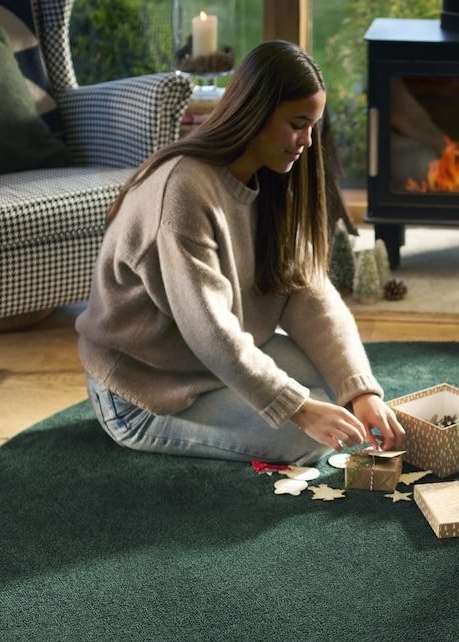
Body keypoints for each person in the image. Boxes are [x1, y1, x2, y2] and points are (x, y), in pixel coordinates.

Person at [76, 41, 403, 465]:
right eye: (298, 124)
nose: (307, 141)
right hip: (144, 393)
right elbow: (211, 332)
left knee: (340, 393)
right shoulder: (183, 190)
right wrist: (299, 409)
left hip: (210, 366)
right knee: (309, 439)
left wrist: (360, 390)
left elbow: (310, 293)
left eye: (313, 126)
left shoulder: (273, 179)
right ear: (256, 112)